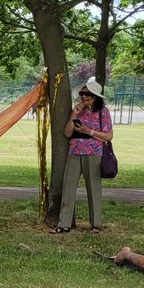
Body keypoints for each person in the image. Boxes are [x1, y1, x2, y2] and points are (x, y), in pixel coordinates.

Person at [53, 79, 113, 234]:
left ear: (95, 97)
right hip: (75, 151)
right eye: (82, 93)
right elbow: (67, 133)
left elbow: (108, 135)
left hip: (93, 153)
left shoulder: (103, 112)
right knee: (68, 187)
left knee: (93, 188)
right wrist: (74, 114)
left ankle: (95, 224)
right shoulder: (78, 110)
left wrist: (89, 131)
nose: (84, 97)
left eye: (87, 94)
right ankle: (64, 223)